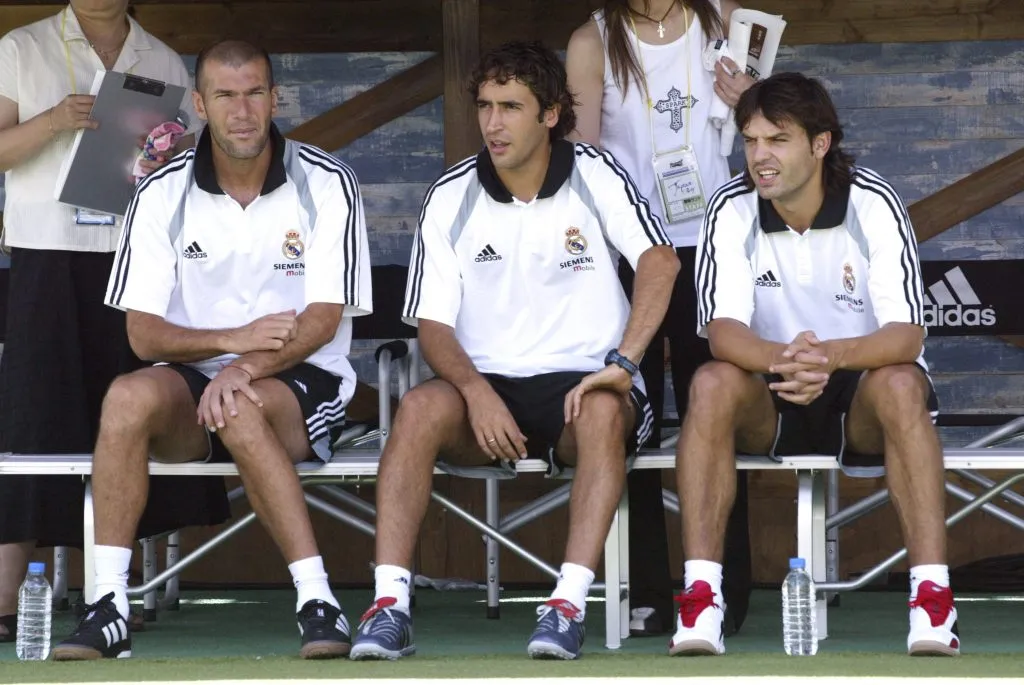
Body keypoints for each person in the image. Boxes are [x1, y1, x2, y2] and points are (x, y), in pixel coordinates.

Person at [348, 41, 678, 662]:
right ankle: (389, 605)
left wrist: (623, 365)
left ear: (551, 114)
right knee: (418, 409)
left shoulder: (595, 172)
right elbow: (435, 329)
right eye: (484, 106)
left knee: (607, 410)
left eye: (510, 107)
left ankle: (567, 605)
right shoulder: (450, 194)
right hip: (487, 390)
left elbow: (659, 263)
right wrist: (474, 393)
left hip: (584, 385)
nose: (493, 123)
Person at [51, 39, 372, 660]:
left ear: (276, 98)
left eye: (255, 92)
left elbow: (325, 318)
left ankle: (317, 599)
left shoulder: (328, 182)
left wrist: (247, 367)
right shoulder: (159, 192)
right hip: (194, 378)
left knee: (241, 407)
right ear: (199, 104)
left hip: (300, 378)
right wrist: (231, 343)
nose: (243, 110)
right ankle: (108, 603)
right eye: (225, 95)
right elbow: (143, 334)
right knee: (125, 397)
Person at [670, 72, 959, 656]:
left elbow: (905, 334)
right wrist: (783, 358)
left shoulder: (873, 201)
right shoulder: (730, 207)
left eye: (777, 140)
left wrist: (830, 357)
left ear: (820, 144)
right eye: (750, 141)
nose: (759, 157)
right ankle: (700, 597)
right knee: (709, 383)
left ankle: (933, 600)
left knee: (903, 384)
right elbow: (722, 331)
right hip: (769, 388)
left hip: (861, 394)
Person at [0, 0, 228, 643]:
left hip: (137, 259)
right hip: (46, 256)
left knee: (130, 414)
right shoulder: (22, 46)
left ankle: (117, 589)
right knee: (34, 420)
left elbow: (184, 166)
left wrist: (174, 151)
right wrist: (53, 121)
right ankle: (7, 597)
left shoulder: (158, 57)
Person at [565, 0, 755, 636]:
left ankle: (726, 586)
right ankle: (644, 589)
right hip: (632, 253)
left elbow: (766, 116)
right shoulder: (593, 38)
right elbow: (581, 153)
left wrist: (752, 93)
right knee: (631, 416)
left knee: (715, 410)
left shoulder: (722, 16)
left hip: (714, 243)